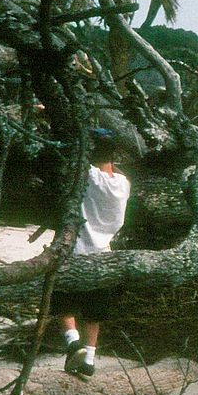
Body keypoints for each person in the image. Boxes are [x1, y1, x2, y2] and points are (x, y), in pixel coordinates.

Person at [54, 129, 130, 378]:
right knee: (94, 310)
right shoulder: (123, 184)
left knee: (62, 300)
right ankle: (89, 358)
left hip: (77, 249)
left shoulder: (86, 175)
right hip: (104, 254)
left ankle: (72, 342)